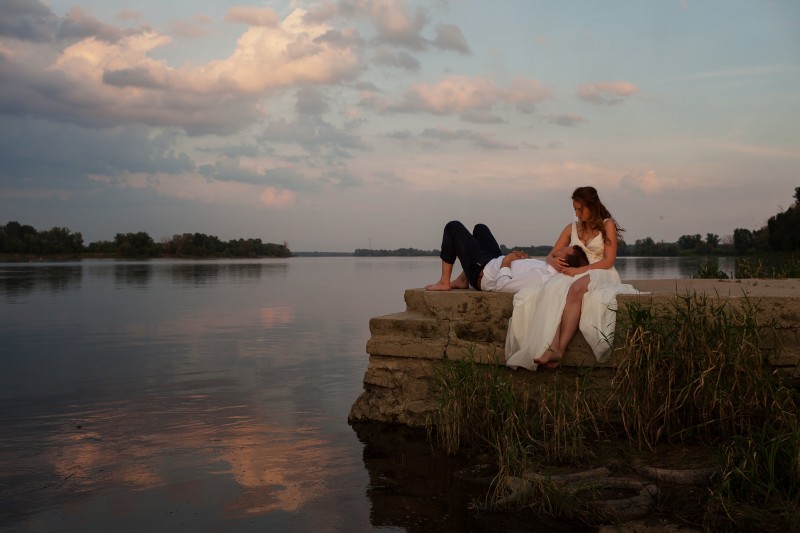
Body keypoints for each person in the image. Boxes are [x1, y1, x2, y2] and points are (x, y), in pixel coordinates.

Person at [505, 187, 639, 370]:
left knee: (576, 287)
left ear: (592, 206)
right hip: (576, 271)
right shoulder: (572, 228)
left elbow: (609, 261)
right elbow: (550, 255)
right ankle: (552, 346)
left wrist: (580, 270)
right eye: (575, 209)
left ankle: (560, 348)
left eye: (580, 209)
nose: (577, 213)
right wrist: (553, 262)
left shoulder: (607, 225)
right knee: (554, 287)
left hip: (601, 271)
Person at [424, 220, 589, 293]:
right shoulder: (547, 267)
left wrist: (507, 261)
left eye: (564, 249)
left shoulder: (540, 277)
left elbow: (502, 286)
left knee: (453, 227)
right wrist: (519, 258)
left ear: (562, 261)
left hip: (481, 271)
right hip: (493, 260)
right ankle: (462, 280)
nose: (561, 248)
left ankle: (445, 282)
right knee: (480, 228)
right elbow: (520, 270)